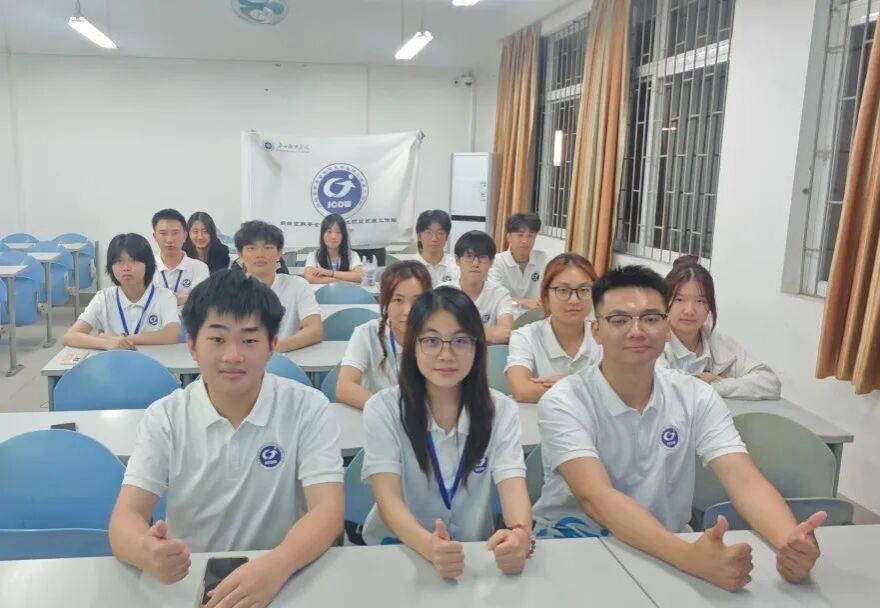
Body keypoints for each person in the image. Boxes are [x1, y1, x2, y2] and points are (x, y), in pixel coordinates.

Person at [532, 265, 825, 592]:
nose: (636, 331)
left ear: (667, 327)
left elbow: (743, 478)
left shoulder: (695, 395)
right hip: (575, 547)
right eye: (619, 320)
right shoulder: (565, 400)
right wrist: (689, 558)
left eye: (651, 318)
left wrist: (790, 543)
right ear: (596, 331)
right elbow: (595, 496)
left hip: (666, 548)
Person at [108, 270, 344, 607]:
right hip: (189, 581)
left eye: (249, 340)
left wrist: (277, 565)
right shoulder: (166, 417)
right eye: (217, 339)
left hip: (286, 575)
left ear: (272, 346)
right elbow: (125, 518)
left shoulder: (307, 407)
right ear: (192, 346)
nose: (233, 355)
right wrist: (144, 550)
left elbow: (328, 510)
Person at [361, 286, 533, 579]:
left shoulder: (501, 410)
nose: (446, 354)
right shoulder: (383, 409)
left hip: (473, 556)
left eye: (461, 341)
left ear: (477, 347)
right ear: (413, 347)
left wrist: (520, 535)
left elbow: (513, 485)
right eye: (431, 341)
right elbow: (388, 499)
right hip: (396, 552)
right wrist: (428, 546)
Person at [660, 256, 782, 400]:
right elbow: (662, 388)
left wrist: (717, 385)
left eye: (700, 301)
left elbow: (769, 382)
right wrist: (703, 383)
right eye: (679, 300)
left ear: (710, 306)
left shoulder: (717, 343)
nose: (690, 311)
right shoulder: (653, 343)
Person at [505, 253, 602, 403]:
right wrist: (587, 388)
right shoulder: (525, 336)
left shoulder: (605, 336)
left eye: (583, 290)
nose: (574, 300)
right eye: (563, 290)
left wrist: (568, 384)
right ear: (545, 297)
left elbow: (622, 389)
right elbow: (522, 390)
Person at [336, 261, 432, 409]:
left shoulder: (438, 337)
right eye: (398, 300)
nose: (408, 310)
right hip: (379, 415)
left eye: (417, 301)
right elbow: (344, 388)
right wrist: (390, 412)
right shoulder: (367, 334)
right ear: (385, 302)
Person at [63, 233, 179, 350]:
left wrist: (125, 339)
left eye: (134, 261)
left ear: (148, 265)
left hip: (155, 359)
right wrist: (106, 343)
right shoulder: (103, 297)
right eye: (119, 261)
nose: (126, 268)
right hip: (116, 360)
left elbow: (172, 334)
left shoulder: (164, 296)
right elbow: (70, 337)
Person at [235, 220, 322, 353]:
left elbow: (315, 330)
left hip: (285, 359)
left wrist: (268, 350)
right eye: (251, 248)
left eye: (268, 247)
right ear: (240, 255)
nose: (260, 254)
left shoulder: (298, 286)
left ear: (279, 254)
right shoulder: (228, 290)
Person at [440, 230, 514, 344]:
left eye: (482, 257)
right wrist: (487, 334)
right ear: (457, 260)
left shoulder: (500, 294)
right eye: (469, 256)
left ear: (491, 262)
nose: (475, 263)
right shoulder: (443, 292)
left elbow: (505, 333)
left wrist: (458, 335)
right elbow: (437, 332)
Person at [151, 208, 210, 307]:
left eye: (175, 233)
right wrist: (183, 299)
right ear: (155, 237)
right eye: (163, 233)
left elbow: (202, 302)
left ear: (185, 236)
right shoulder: (146, 267)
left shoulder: (200, 268)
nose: (169, 240)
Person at [488, 213, 548, 310]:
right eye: (520, 235)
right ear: (509, 237)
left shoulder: (543, 259)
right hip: (505, 313)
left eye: (530, 236)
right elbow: (494, 296)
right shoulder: (497, 262)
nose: (525, 240)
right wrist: (524, 302)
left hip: (536, 314)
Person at [303, 214, 364, 284]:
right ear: (322, 234)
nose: (333, 236)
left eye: (338, 232)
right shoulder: (313, 255)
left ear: (343, 236)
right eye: (329, 231)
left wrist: (330, 273)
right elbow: (309, 277)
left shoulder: (352, 255)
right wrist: (339, 281)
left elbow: (360, 276)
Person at [413, 209, 459, 286]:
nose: (434, 238)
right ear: (419, 237)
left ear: (447, 237)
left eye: (440, 233)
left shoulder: (457, 266)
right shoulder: (409, 267)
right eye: (428, 232)